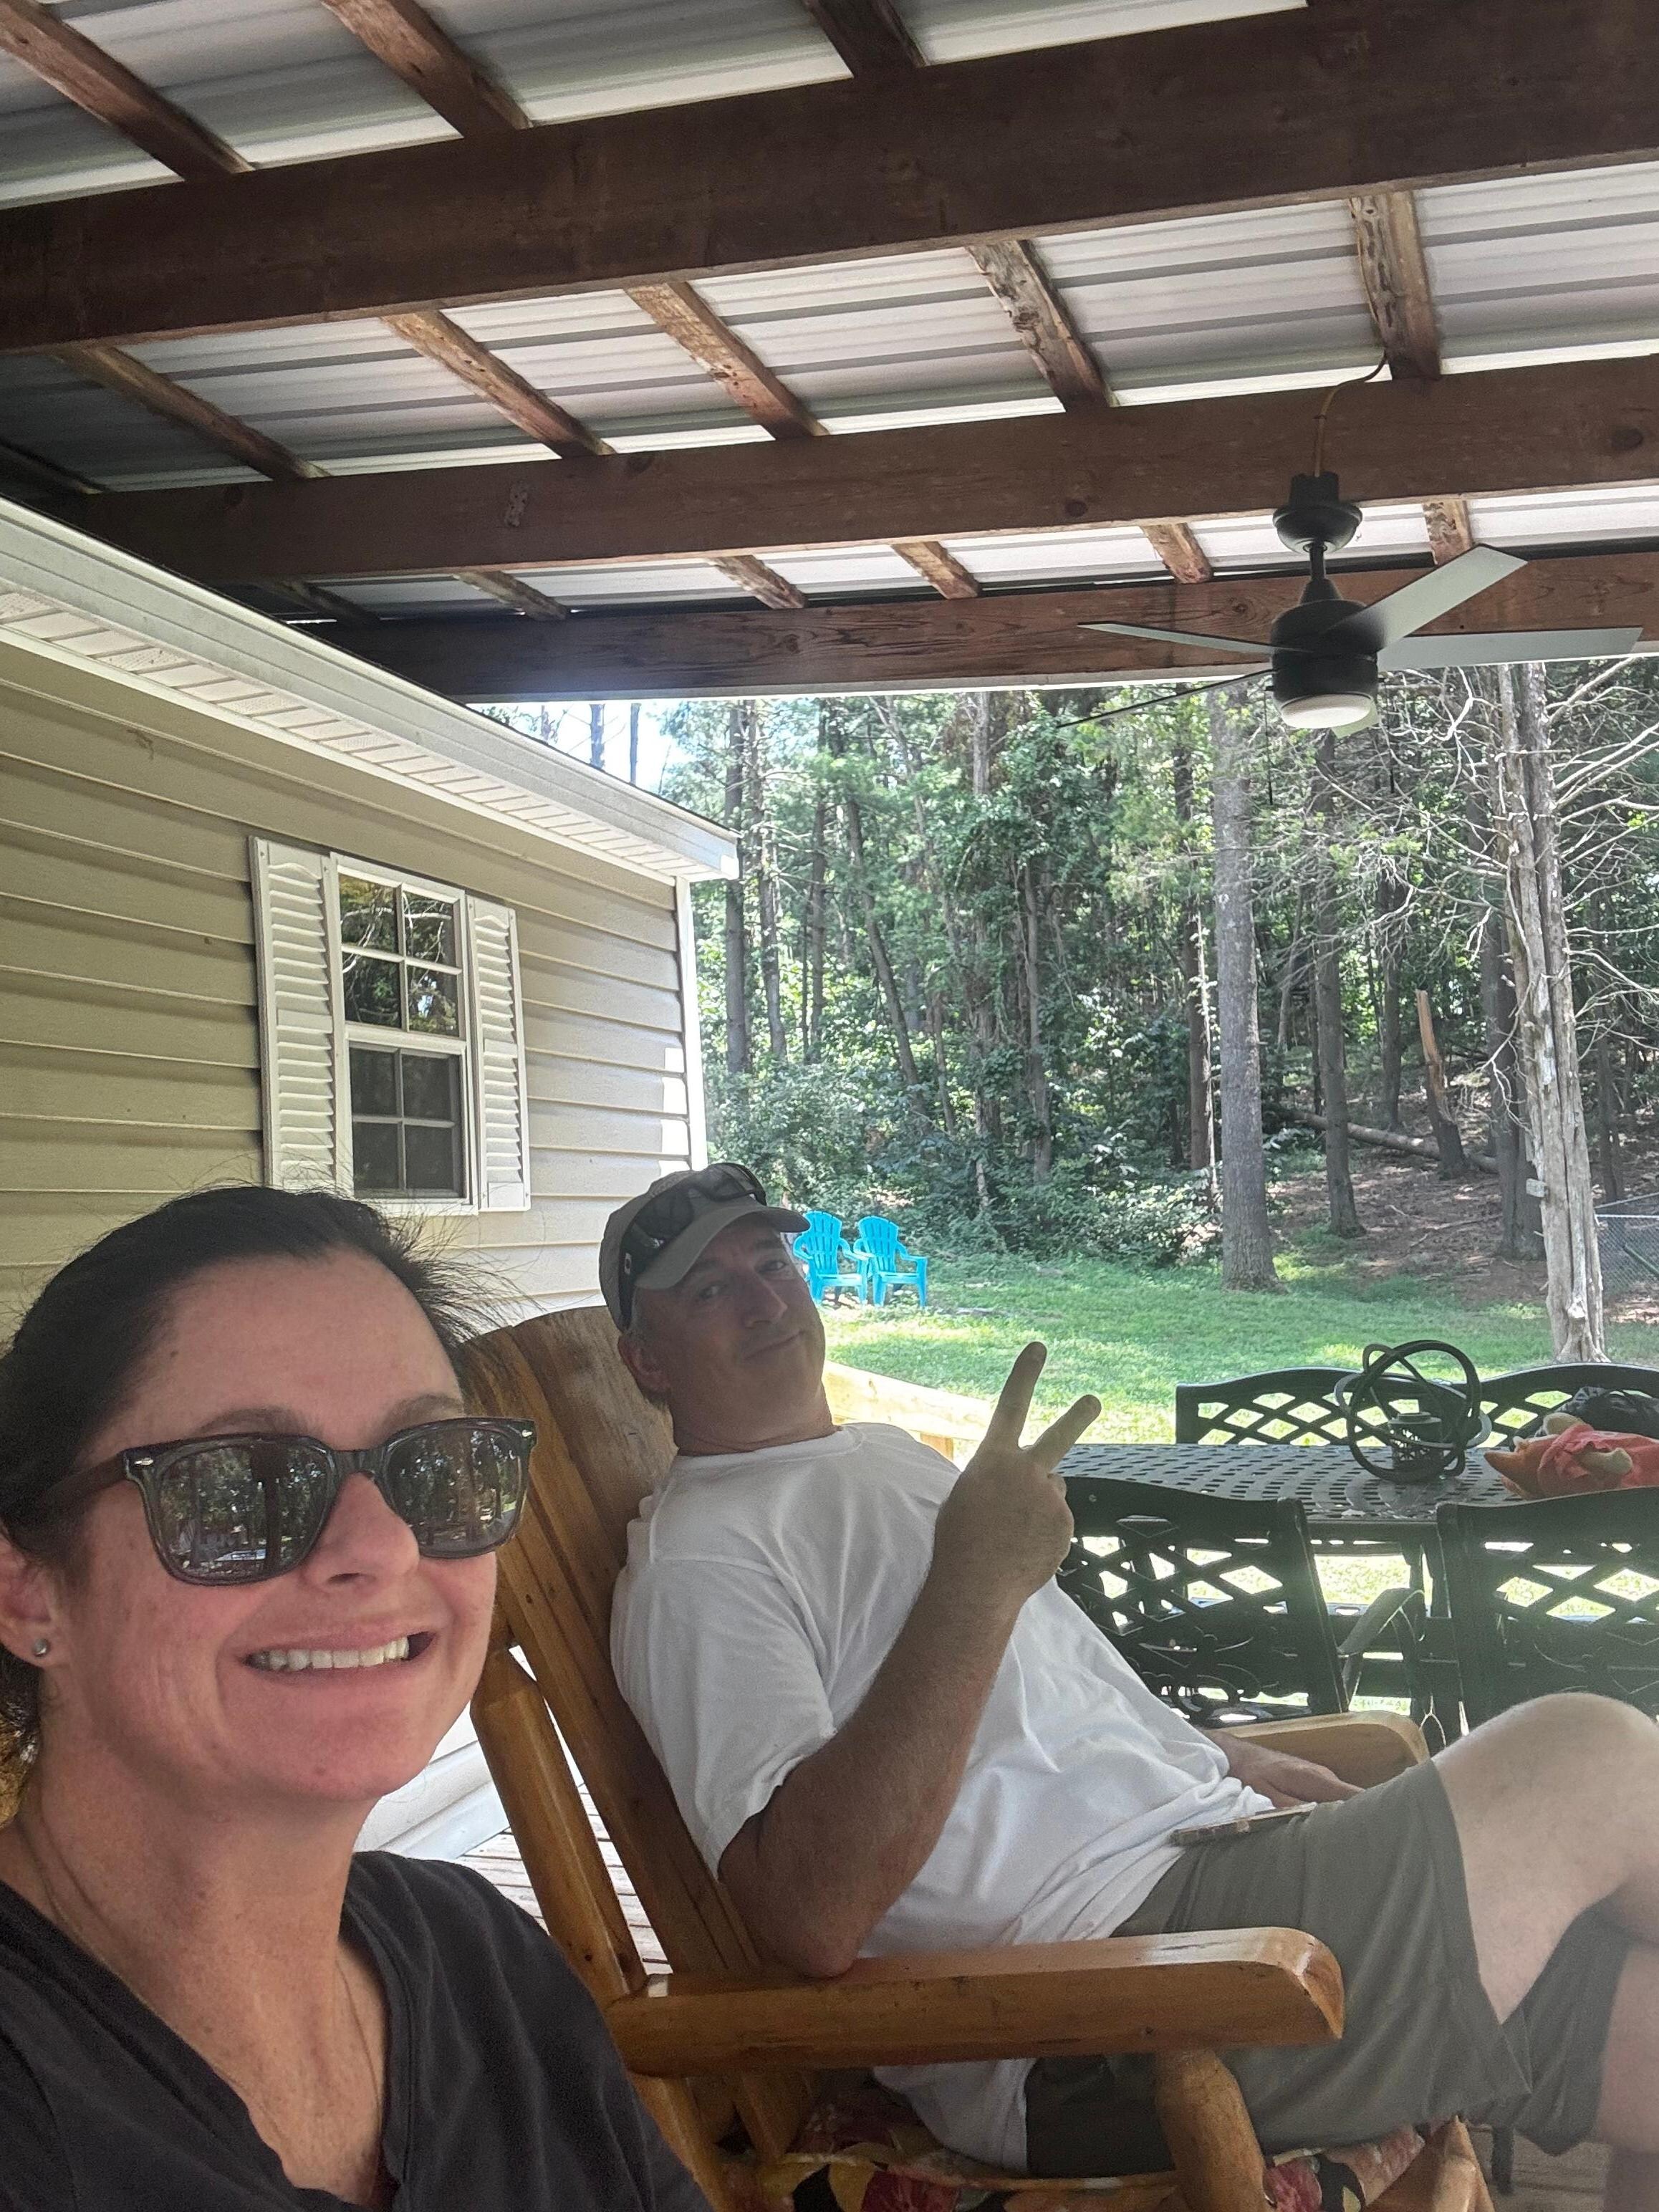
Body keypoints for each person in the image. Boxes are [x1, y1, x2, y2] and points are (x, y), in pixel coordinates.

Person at [605, 1163, 1659, 2208]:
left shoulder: (875, 1456)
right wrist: (973, 1582)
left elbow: (1045, 1692)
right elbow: (812, 1913)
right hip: (1092, 2010)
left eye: (772, 1263)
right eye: (711, 1289)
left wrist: (1221, 1753)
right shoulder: (702, 1564)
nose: (764, 1301)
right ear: (645, 1358)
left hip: (1206, 1875)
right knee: (1590, 1757)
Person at [0, 1185, 710, 2212]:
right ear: (26, 1590)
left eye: (433, 1465)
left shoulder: (483, 1963)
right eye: (242, 1484)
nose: (383, 1547)